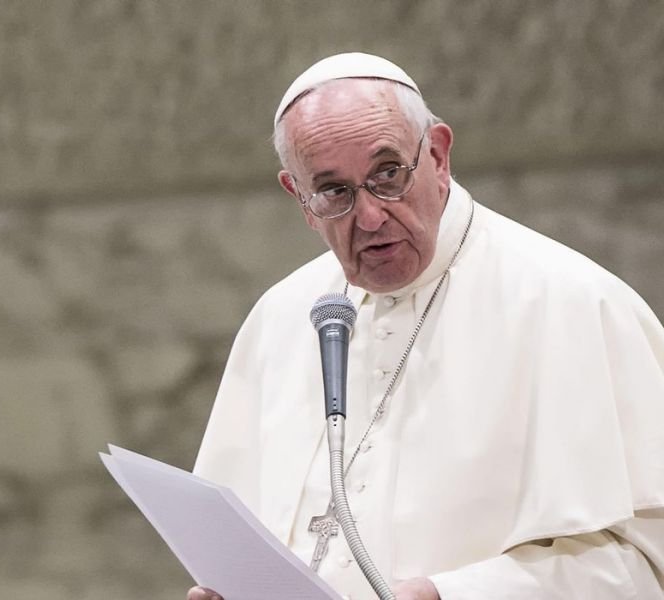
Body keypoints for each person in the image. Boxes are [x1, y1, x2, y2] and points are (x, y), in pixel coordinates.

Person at [186, 53, 664, 599]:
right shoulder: (281, 315)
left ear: (437, 155)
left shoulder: (573, 303)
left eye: (388, 174)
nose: (370, 217)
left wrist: (451, 596)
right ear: (300, 199)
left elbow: (646, 567)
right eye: (334, 191)